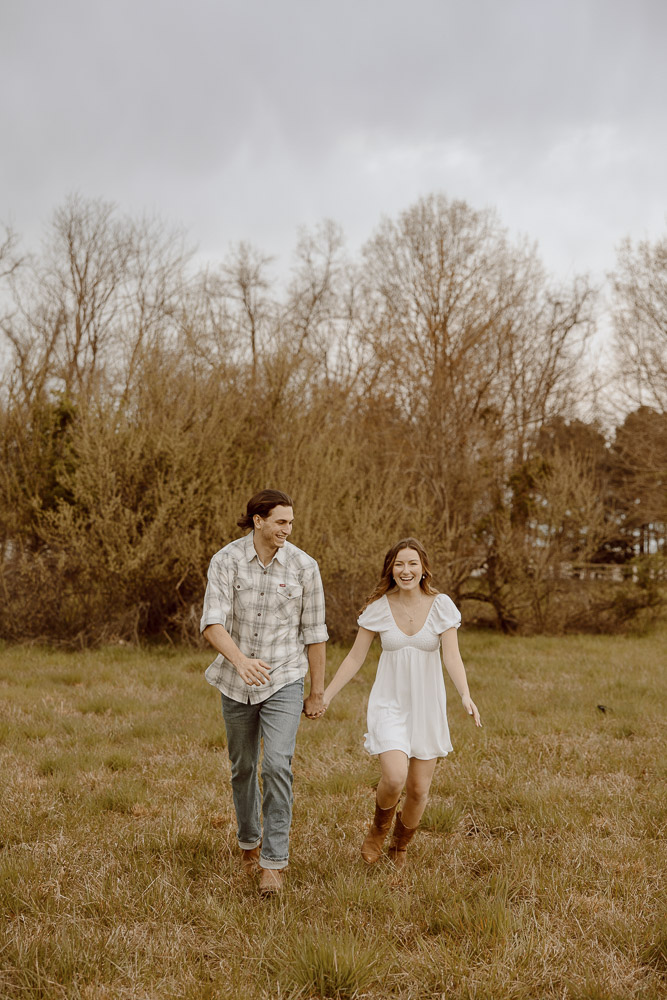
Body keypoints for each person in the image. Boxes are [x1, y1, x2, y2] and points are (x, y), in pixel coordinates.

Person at [319, 537, 481, 870]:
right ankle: (378, 831)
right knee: (394, 778)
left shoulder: (442, 606)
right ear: (390, 569)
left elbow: (452, 656)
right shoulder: (378, 607)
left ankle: (400, 847)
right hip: (389, 704)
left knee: (419, 789)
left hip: (427, 708)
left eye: (412, 564)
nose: (405, 571)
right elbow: (354, 658)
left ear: (423, 569)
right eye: (399, 564)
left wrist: (465, 694)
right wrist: (326, 694)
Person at [200, 489, 328, 895]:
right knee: (244, 767)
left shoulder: (305, 567)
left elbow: (315, 634)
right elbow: (211, 623)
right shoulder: (226, 561)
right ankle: (249, 843)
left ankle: (274, 862)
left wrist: (317, 692)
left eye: (290, 523)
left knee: (276, 764)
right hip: (236, 681)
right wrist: (240, 661)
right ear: (258, 520)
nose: (287, 530)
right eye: (280, 522)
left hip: (285, 678)